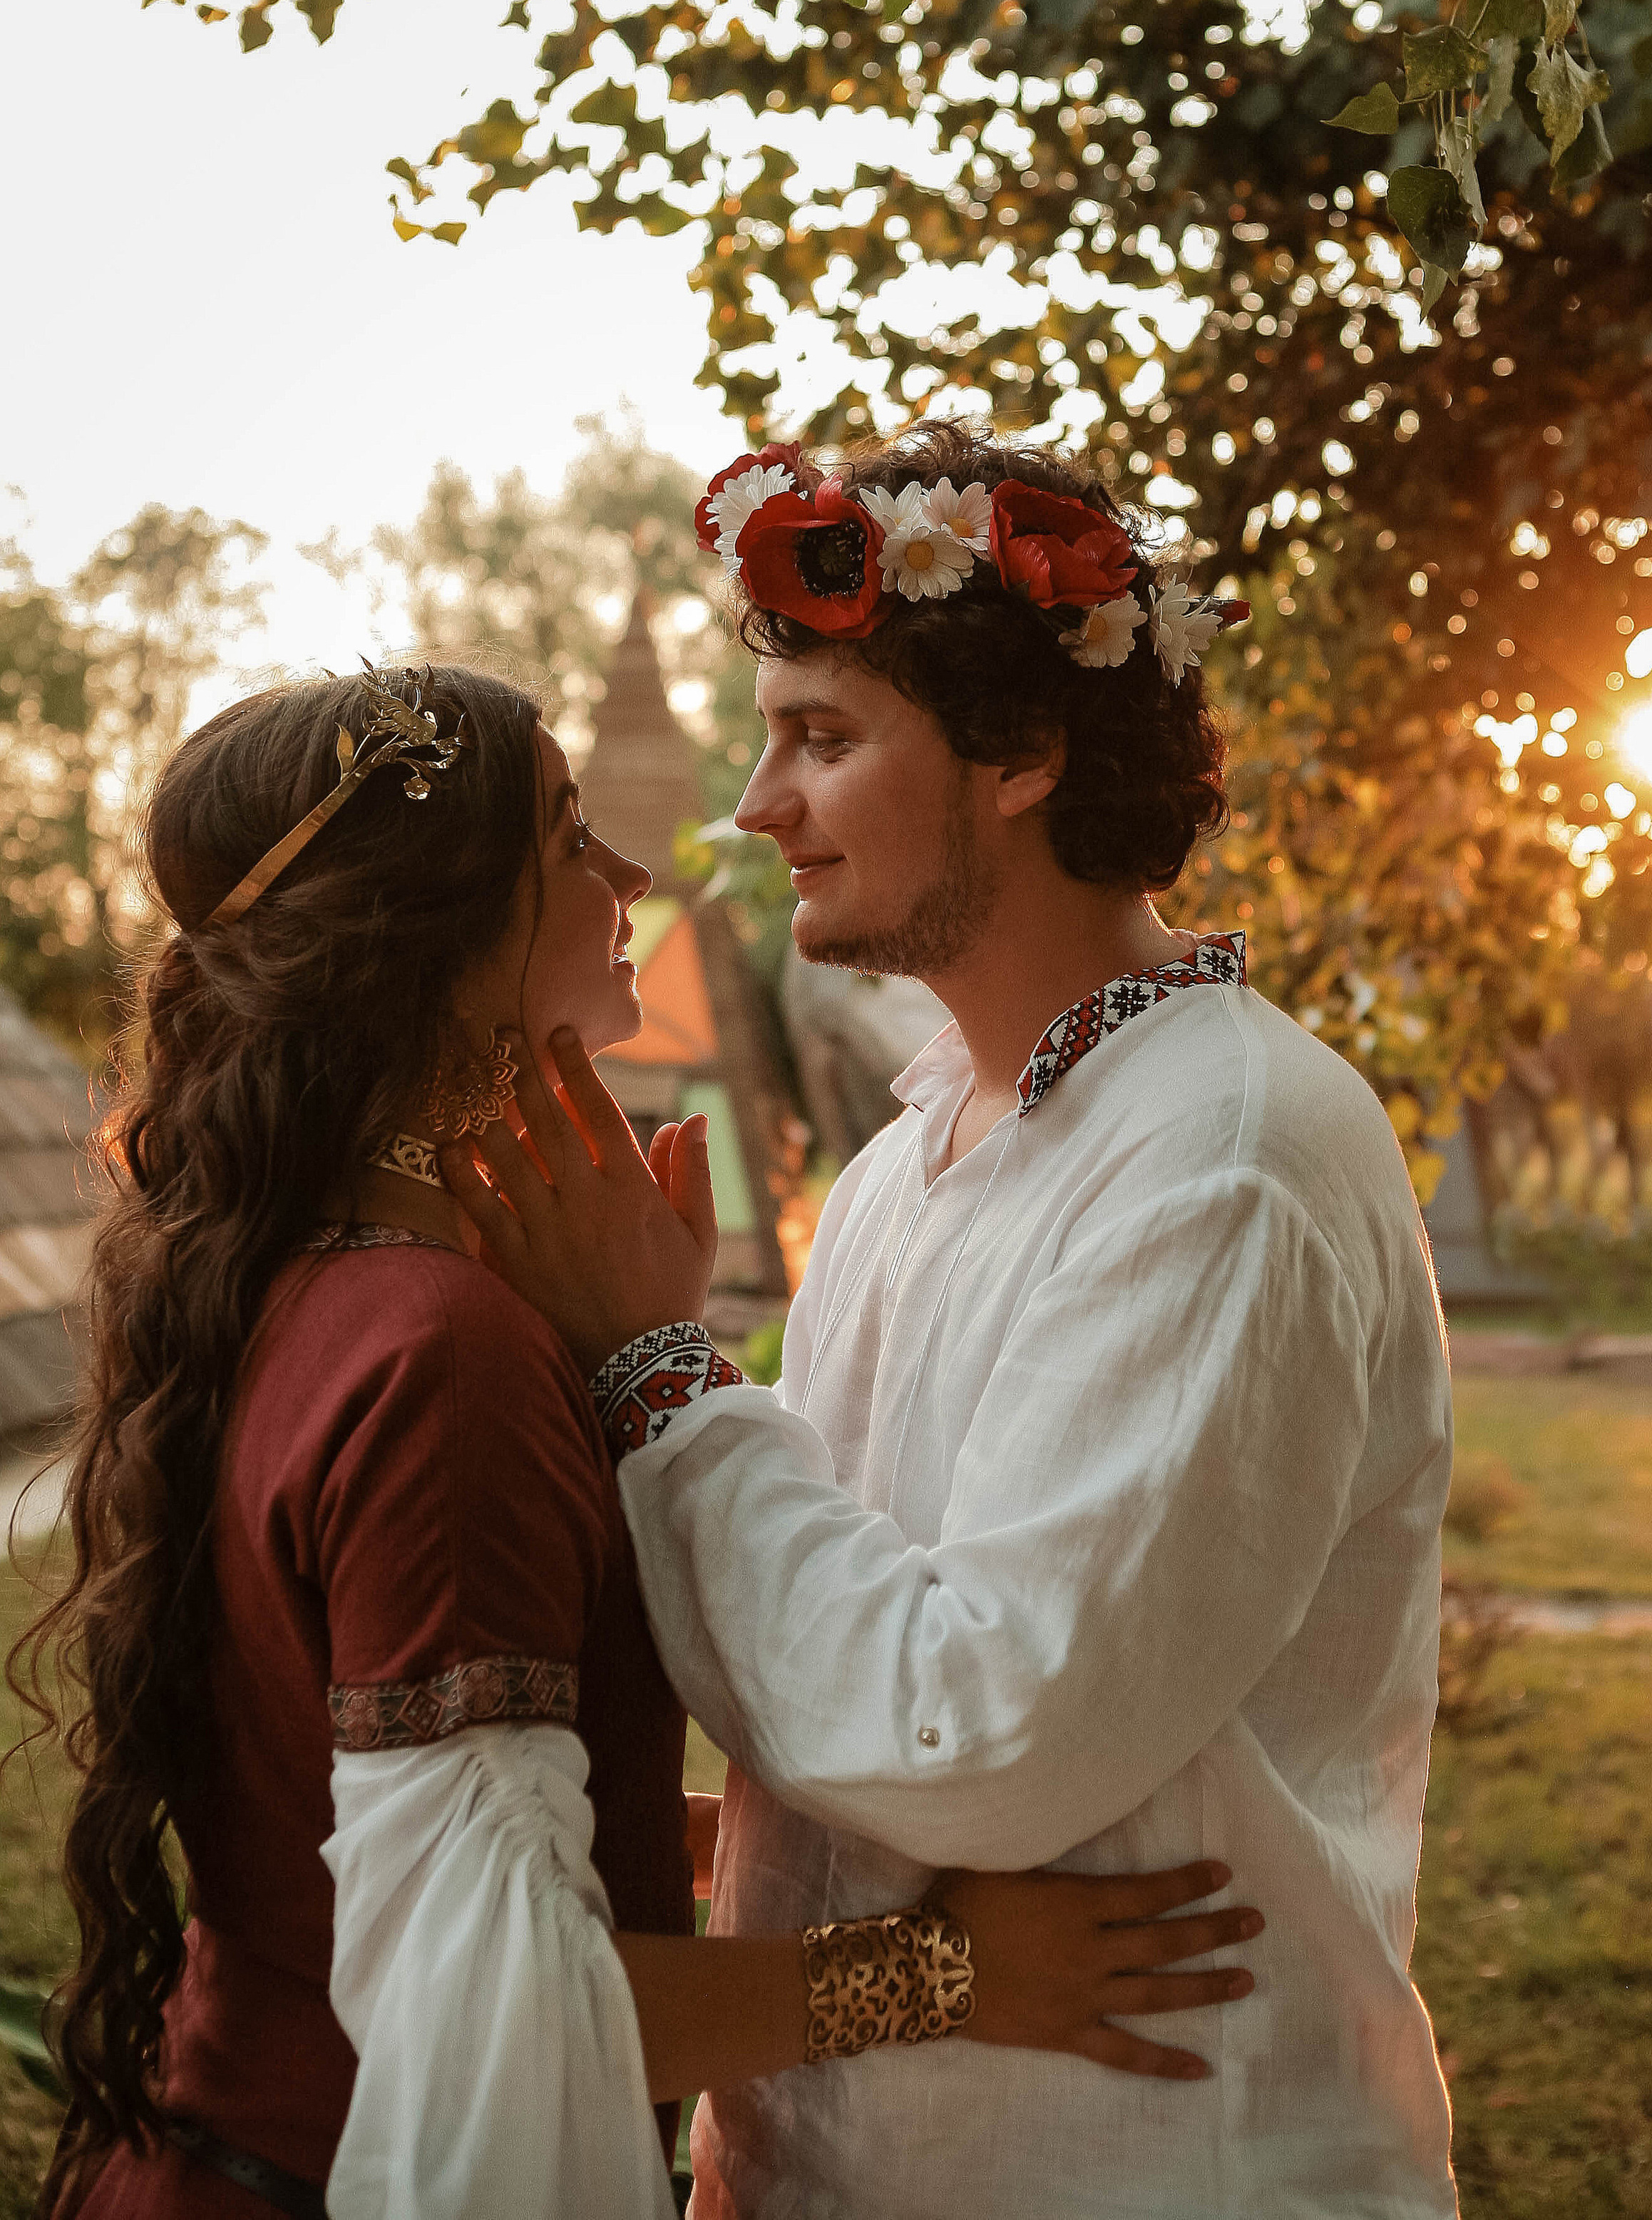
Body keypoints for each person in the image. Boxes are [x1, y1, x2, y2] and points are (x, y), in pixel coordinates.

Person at [9, 659, 1263, 2220]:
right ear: (436, 934)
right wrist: (938, 1969)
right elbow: (494, 2010)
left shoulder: (302, 1283)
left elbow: (350, 1811)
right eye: (568, 841)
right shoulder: (437, 1354)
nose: (632, 875)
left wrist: (756, 1831)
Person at [445, 428, 1460, 2220]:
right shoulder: (918, 1150)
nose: (755, 811)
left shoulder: (1223, 1154)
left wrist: (660, 1373)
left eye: (822, 741)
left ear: (1020, 754)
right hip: (834, 2155)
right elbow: (828, 1653)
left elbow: (974, 1732)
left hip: (1140, 2170)